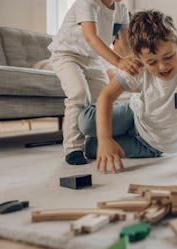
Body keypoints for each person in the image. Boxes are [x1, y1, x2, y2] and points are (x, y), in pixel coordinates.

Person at [78, 9, 177, 174]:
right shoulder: (139, 67)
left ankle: (106, 129)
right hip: (134, 115)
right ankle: (107, 122)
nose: (162, 66)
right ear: (139, 58)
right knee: (85, 122)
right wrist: (105, 139)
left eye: (168, 57)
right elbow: (106, 95)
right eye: (152, 62)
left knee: (90, 148)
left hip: (151, 145)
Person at [48, 0, 141, 165]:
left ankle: (99, 140)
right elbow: (91, 38)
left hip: (93, 59)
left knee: (104, 98)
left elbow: (126, 44)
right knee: (79, 94)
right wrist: (118, 61)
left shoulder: (121, 9)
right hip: (67, 54)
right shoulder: (87, 3)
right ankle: (73, 148)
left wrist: (137, 63)